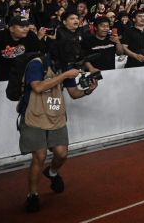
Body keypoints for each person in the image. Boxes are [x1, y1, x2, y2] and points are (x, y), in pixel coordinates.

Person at [18, 51, 98, 212]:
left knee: (61, 154)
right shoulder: (37, 64)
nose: (72, 63)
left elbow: (74, 94)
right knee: (39, 156)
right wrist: (66, 75)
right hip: (34, 115)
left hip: (56, 115)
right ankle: (32, 195)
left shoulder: (66, 67)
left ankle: (52, 172)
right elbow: (38, 87)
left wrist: (89, 90)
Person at [0, 17, 45, 82]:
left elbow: (37, 52)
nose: (26, 29)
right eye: (22, 26)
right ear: (11, 29)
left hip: (22, 77)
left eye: (27, 26)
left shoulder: (31, 35)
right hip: (1, 78)